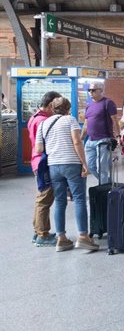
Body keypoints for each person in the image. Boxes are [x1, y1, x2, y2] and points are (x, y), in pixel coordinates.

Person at [35, 97, 98, 252]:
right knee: (79, 199)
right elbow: (77, 142)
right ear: (68, 109)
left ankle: (61, 239)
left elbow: (39, 149)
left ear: (52, 108)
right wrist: (84, 163)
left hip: (54, 167)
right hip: (71, 164)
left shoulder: (43, 124)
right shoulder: (70, 120)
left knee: (60, 202)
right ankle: (83, 237)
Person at [28, 91, 62, 247]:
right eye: (55, 106)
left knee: (41, 197)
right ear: (49, 105)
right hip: (43, 162)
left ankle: (38, 231)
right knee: (45, 199)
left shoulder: (34, 118)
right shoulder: (43, 121)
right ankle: (43, 234)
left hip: (36, 161)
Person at [81, 82, 120, 185]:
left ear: (101, 90)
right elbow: (86, 125)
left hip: (103, 140)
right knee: (90, 166)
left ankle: (104, 189)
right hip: (90, 141)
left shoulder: (108, 103)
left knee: (101, 167)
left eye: (93, 90)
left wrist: (118, 136)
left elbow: (114, 120)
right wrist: (80, 139)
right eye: (89, 90)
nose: (90, 92)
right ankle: (108, 184)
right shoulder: (89, 106)